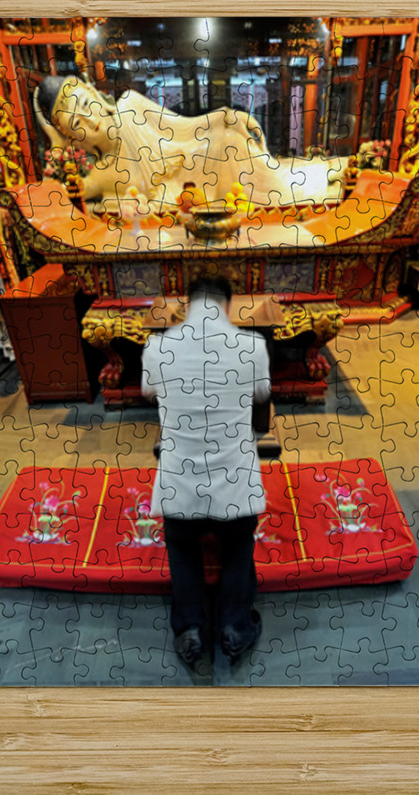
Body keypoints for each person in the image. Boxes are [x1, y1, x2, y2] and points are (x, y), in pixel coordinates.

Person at [140, 276, 271, 669]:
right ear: (227, 306)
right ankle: (235, 627)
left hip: (179, 487)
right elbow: (262, 405)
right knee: (237, 547)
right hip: (236, 488)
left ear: (188, 303)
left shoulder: (157, 347)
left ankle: (189, 629)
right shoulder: (252, 346)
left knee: (181, 549)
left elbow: (150, 396)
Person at [32, 75, 344, 207]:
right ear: (71, 136)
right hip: (186, 198)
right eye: (76, 123)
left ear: (96, 94)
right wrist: (57, 149)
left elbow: (183, 126)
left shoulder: (130, 106)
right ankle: (322, 176)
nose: (90, 119)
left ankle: (323, 176)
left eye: (87, 105)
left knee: (243, 154)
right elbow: (78, 190)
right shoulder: (101, 173)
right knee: (259, 179)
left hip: (203, 156)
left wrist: (227, 115)